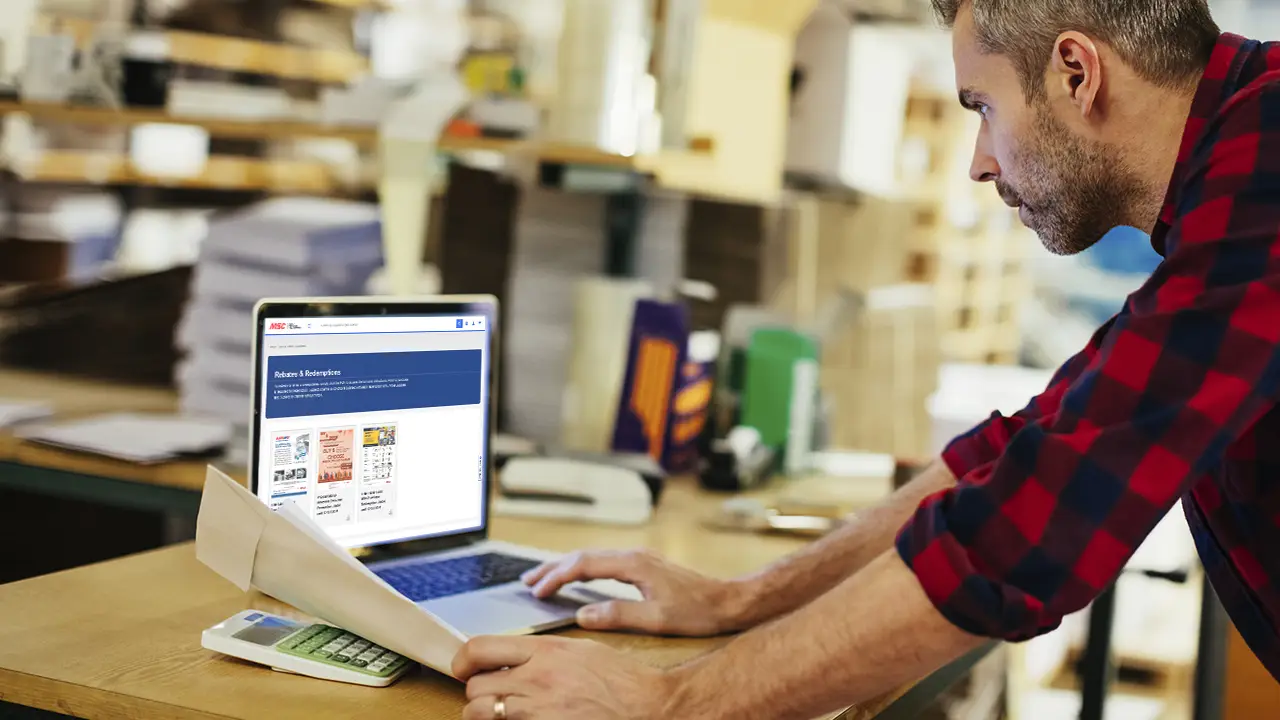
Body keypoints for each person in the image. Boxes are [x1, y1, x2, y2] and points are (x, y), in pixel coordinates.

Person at [452, 1, 1280, 717]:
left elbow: (1029, 528)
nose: (980, 161)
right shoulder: (1237, 172)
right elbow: (1039, 442)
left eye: (982, 106)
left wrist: (670, 702)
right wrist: (741, 599)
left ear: (1075, 72)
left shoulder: (1267, 165)